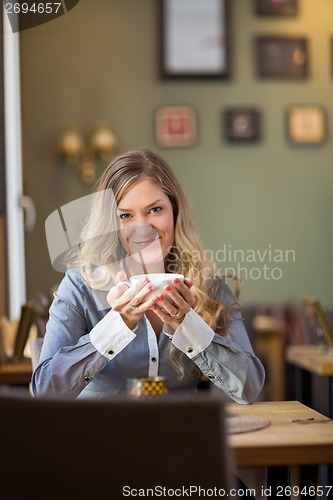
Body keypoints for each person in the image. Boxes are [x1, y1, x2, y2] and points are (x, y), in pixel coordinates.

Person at [32, 149, 265, 401]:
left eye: (155, 210)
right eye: (125, 215)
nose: (142, 228)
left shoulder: (207, 283)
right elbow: (45, 391)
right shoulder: (80, 285)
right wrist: (118, 324)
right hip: (98, 435)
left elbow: (249, 387)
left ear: (175, 212)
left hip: (178, 434)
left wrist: (186, 324)